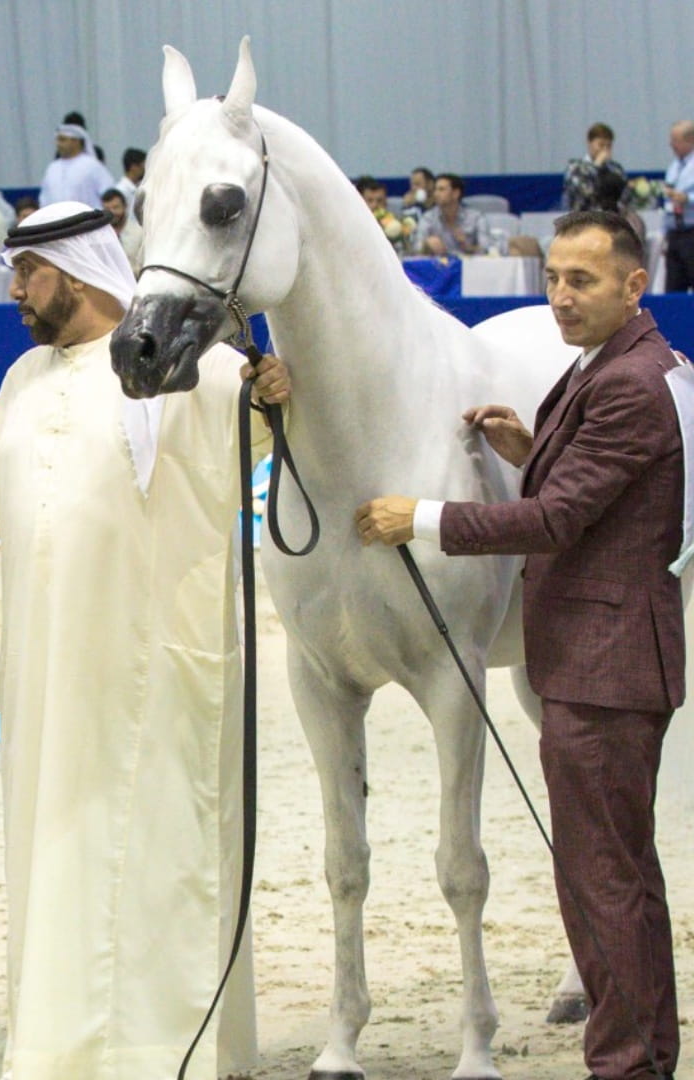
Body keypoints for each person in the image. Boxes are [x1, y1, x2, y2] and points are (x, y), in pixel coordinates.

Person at [0, 202, 280, 1079]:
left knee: (161, 855)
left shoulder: (197, 368)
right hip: (46, 676)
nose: (14, 292)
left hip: (155, 670)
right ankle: (63, 1051)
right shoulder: (23, 380)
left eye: (26, 274)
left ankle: (163, 1054)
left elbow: (261, 436)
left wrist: (277, 398)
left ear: (71, 273)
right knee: (60, 853)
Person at [356, 210, 682, 1080]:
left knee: (600, 883)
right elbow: (601, 490)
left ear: (633, 285)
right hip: (611, 655)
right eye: (554, 281)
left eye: (584, 281)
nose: (563, 299)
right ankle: (645, 1052)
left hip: (603, 663)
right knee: (621, 874)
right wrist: (528, 449)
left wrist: (417, 517)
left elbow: (559, 520)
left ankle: (625, 1065)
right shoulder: (629, 366)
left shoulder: (627, 383)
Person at [38, 123, 115, 208]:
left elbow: (109, 195)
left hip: (88, 219)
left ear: (76, 141)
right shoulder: (52, 168)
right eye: (57, 140)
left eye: (62, 140)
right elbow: (44, 199)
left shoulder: (92, 166)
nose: (58, 144)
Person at [565, 123, 628, 213]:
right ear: (589, 143)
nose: (605, 149)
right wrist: (596, 166)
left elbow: (624, 196)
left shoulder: (616, 169)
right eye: (601, 145)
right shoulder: (575, 167)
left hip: (611, 219)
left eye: (609, 146)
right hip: (583, 220)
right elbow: (583, 193)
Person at [662, 120, 694, 291]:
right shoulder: (674, 166)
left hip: (692, 231)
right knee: (674, 286)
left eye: (675, 140)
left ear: (690, 140)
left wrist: (688, 198)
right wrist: (664, 234)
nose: (671, 144)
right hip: (675, 233)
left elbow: (684, 197)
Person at [419, 173, 483, 257]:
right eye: (435, 190)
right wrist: (426, 246)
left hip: (470, 266)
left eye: (441, 190)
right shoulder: (428, 218)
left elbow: (487, 249)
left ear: (456, 193)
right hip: (438, 266)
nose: (436, 194)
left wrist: (468, 247)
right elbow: (417, 246)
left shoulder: (476, 218)